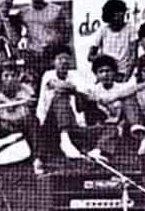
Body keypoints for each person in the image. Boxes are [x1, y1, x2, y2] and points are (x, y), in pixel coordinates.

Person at [34, 44, 104, 174]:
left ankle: (96, 151)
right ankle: (65, 138)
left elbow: (89, 94)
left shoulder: (75, 75)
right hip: (49, 125)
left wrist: (76, 90)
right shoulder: (48, 75)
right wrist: (74, 89)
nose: (64, 62)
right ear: (53, 62)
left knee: (107, 128)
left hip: (73, 122)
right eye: (60, 59)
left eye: (67, 58)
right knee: (61, 97)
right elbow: (58, 86)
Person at [0, 60, 38, 181]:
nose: (10, 79)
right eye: (6, 76)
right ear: (1, 78)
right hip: (3, 125)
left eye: (13, 75)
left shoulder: (26, 91)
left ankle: (37, 159)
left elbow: (29, 109)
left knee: (33, 121)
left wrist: (29, 104)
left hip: (20, 123)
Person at [19, 0, 71, 84]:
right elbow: (14, 33)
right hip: (33, 59)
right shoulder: (23, 13)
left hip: (53, 57)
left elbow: (66, 35)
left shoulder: (56, 10)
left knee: (54, 86)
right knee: (35, 87)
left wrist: (53, 45)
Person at [88, 0, 138, 82]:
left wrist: (126, 78)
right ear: (109, 16)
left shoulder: (130, 29)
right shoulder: (103, 30)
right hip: (106, 73)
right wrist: (104, 59)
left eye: (122, 14)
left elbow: (133, 56)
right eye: (115, 15)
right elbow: (90, 56)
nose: (119, 17)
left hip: (123, 73)